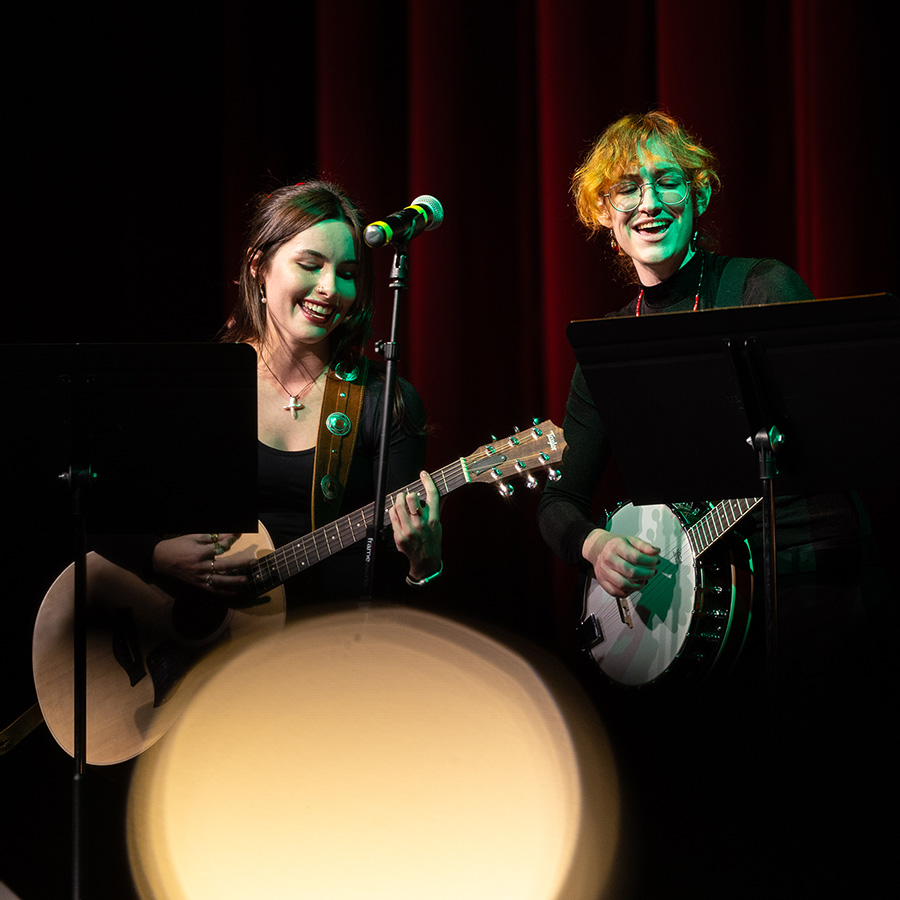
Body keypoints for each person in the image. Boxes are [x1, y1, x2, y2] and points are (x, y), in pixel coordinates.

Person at [537, 111, 890, 898]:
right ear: (603, 214)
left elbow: (835, 430)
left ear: (697, 196)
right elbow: (560, 501)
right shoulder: (606, 346)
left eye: (668, 181)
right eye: (627, 188)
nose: (649, 201)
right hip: (704, 638)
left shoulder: (759, 287)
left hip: (813, 599)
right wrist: (594, 545)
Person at [99, 180, 443, 608]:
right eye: (311, 264)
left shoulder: (384, 401)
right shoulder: (201, 387)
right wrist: (155, 556)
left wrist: (422, 565)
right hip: (199, 651)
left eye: (348, 274)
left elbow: (395, 582)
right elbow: (90, 503)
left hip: (331, 650)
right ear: (259, 266)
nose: (331, 288)